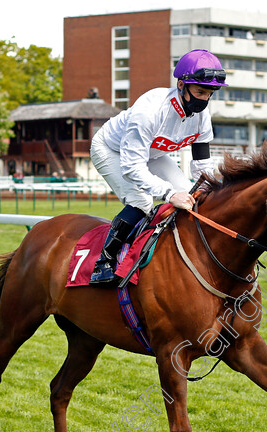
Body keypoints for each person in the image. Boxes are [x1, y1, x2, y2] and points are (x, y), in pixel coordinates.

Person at [88, 49, 227, 285]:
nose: (204, 99)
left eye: (209, 94)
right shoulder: (149, 111)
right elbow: (132, 167)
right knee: (141, 202)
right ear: (181, 85)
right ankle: (104, 262)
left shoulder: (202, 116)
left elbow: (201, 165)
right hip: (112, 149)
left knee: (190, 194)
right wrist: (169, 193)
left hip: (153, 154)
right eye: (200, 91)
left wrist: (216, 191)